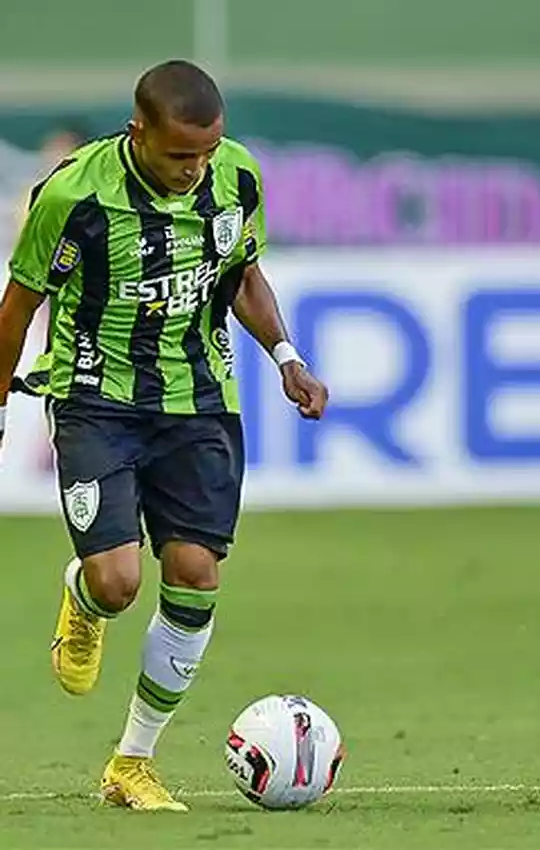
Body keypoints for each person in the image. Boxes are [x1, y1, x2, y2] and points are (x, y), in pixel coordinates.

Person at [0, 60, 330, 811]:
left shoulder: (235, 176)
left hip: (199, 401)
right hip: (95, 400)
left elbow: (242, 276)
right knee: (117, 583)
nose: (195, 169)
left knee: (195, 573)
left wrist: (287, 356)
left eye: (206, 152)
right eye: (181, 154)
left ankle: (132, 762)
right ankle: (85, 597)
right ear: (138, 132)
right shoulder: (73, 196)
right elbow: (16, 309)